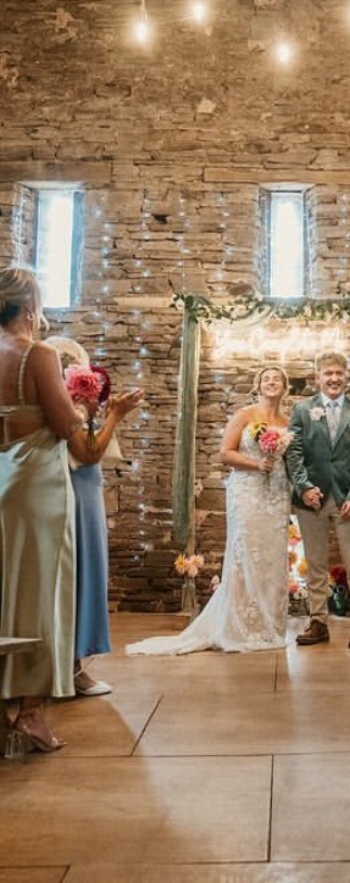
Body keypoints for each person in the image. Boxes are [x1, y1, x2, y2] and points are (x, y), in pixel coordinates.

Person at [127, 365, 291, 655]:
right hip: (248, 491)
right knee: (246, 555)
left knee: (272, 558)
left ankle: (269, 626)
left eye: (277, 379)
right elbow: (225, 453)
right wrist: (256, 464)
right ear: (258, 385)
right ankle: (240, 626)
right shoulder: (245, 415)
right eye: (266, 378)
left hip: (276, 494)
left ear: (285, 387)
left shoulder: (286, 421)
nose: (271, 382)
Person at [0, 268, 85, 751]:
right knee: (42, 587)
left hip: (0, 476)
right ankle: (31, 712)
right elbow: (65, 424)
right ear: (28, 304)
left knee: (3, 583)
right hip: (36, 480)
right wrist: (80, 410)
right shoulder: (37, 354)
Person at [45, 336, 142, 696]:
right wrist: (115, 415)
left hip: (86, 494)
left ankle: (71, 666)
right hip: (74, 500)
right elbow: (88, 453)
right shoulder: (65, 411)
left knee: (84, 577)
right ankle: (70, 670)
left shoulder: (74, 410)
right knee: (79, 578)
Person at [286, 351, 350, 649]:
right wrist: (304, 487)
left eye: (339, 373)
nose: (334, 378)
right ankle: (318, 621)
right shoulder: (302, 410)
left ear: (346, 377)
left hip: (346, 499)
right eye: (328, 374)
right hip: (311, 499)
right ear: (318, 378)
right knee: (315, 564)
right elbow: (294, 454)